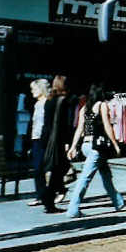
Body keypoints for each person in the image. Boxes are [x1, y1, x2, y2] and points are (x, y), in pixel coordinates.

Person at [65, 84, 126, 218]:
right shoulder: (102, 105)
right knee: (85, 178)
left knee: (106, 174)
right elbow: (107, 126)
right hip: (97, 147)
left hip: (86, 146)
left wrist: (73, 146)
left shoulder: (84, 108)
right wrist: (116, 144)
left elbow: (79, 129)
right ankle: (73, 208)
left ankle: (118, 201)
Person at [39, 76, 77, 212]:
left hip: (47, 139)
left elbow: (46, 122)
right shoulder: (66, 101)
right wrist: (68, 142)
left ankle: (49, 198)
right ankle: (50, 198)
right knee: (58, 170)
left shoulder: (49, 101)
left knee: (54, 170)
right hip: (58, 141)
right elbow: (66, 124)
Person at [27, 79, 52, 207]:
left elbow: (47, 124)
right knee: (37, 169)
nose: (32, 91)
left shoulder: (47, 103)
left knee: (42, 168)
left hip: (43, 139)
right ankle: (40, 195)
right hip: (35, 139)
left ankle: (46, 196)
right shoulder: (37, 104)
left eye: (34, 89)